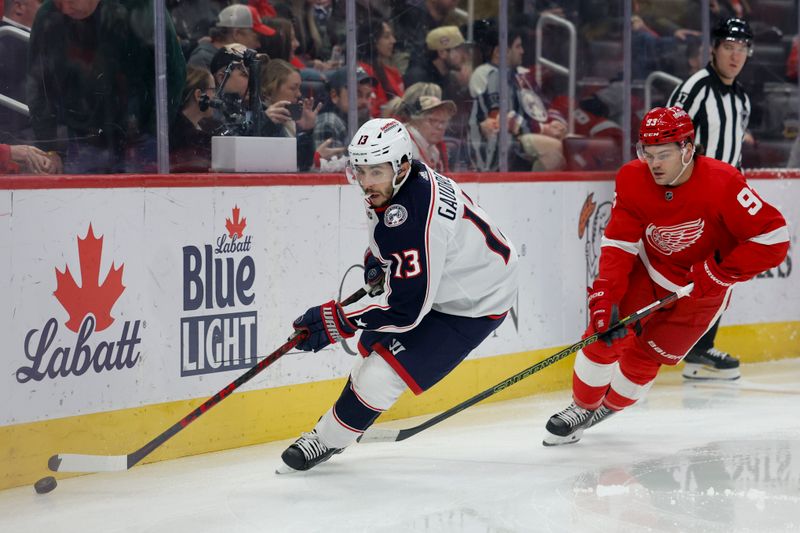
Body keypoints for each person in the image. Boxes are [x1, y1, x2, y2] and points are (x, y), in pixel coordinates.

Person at [278, 118, 519, 472]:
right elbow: (394, 242)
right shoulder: (397, 183)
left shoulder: (416, 215)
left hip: (475, 301)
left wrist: (339, 320)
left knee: (380, 376)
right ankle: (342, 426)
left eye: (375, 172)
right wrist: (378, 263)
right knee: (368, 356)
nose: (365, 182)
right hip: (448, 280)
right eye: (359, 171)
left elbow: (407, 309)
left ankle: (326, 439)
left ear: (402, 166)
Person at [542, 107, 789, 447]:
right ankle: (581, 407)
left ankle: (607, 408)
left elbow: (774, 238)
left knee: (645, 359)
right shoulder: (632, 177)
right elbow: (619, 241)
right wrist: (605, 293)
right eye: (648, 153)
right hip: (651, 267)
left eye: (664, 154)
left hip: (703, 290)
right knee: (604, 335)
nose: (654, 163)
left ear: (688, 149)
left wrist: (719, 273)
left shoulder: (724, 182)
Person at [667, 17, 754, 379]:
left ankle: (700, 351)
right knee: (674, 275)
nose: (736, 56)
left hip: (725, 203)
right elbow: (667, 137)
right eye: (729, 47)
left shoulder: (742, 99)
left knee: (720, 275)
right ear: (714, 49)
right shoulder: (696, 87)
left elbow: (732, 154)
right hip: (693, 198)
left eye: (742, 49)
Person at [26, 0, 186, 174]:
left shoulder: (142, 7)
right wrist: (49, 149)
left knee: (142, 200)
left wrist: (153, 131)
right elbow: (39, 88)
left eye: (70, 0)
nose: (64, 8)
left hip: (140, 140)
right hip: (84, 139)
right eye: (58, 1)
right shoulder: (48, 15)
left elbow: (173, 73)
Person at [468, 19, 565, 172]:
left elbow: (545, 105)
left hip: (530, 133)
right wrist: (542, 128)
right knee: (553, 149)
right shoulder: (485, 74)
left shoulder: (524, 74)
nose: (522, 51)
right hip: (508, 139)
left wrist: (556, 124)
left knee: (571, 143)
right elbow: (498, 116)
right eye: (518, 46)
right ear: (500, 51)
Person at [312, 66, 375, 168]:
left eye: (368, 96)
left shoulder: (366, 122)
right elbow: (332, 170)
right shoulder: (329, 122)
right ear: (334, 96)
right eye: (356, 95)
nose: (364, 101)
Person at [187, 4, 275, 70]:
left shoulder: (239, 60)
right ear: (237, 34)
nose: (258, 45)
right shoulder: (203, 60)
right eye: (256, 38)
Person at [396, 82, 456, 172]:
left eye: (443, 122)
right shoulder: (403, 144)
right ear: (415, 120)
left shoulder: (433, 149)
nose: (440, 127)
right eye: (433, 121)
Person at [169, 66, 218, 172]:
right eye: (213, 90)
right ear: (199, 95)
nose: (215, 96)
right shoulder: (191, 139)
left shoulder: (171, 126)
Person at [357, 18, 404, 118]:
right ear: (373, 40)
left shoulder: (391, 72)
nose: (393, 41)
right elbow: (371, 114)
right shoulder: (363, 72)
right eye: (386, 37)